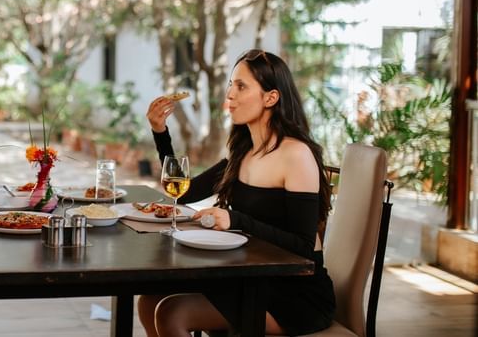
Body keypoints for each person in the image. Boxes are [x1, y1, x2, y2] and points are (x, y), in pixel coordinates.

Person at [138, 49, 335, 337]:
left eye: (241, 86)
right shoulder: (243, 153)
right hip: (248, 277)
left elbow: (304, 248)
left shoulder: (296, 154)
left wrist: (235, 220)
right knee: (149, 300)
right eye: (231, 84)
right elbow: (184, 191)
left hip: (294, 294)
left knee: (172, 313)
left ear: (271, 98)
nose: (230, 94)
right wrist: (160, 132)